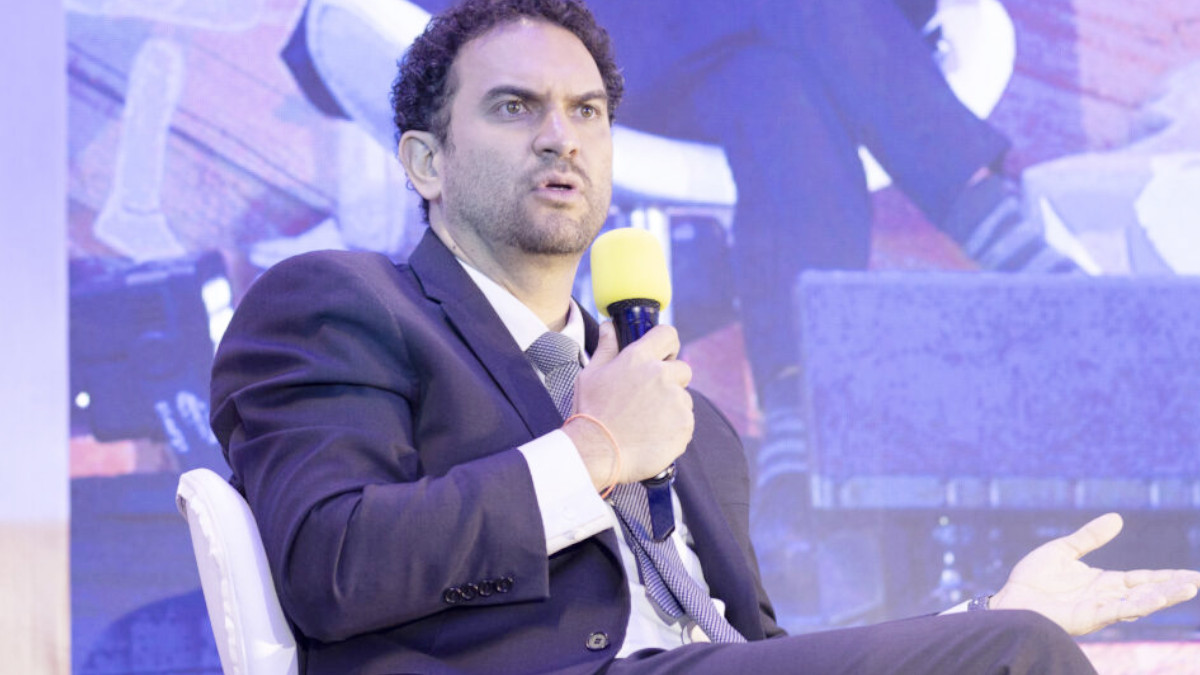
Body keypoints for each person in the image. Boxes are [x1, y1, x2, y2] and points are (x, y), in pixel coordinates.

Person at [209, 1, 1200, 673]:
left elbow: (761, 654)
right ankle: (983, 216)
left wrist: (985, 618)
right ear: (426, 161)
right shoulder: (341, 306)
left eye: (588, 112)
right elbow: (333, 569)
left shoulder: (692, 427)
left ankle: (804, 386)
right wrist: (593, 451)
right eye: (516, 108)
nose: (561, 136)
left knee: (772, 87)